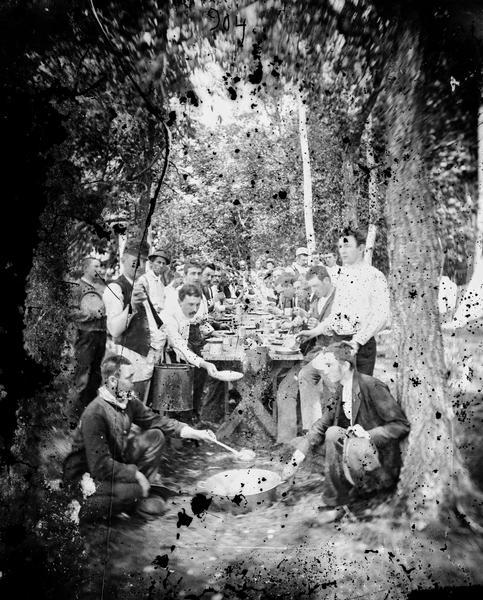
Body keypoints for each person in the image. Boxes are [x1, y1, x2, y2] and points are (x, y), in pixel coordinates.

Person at [63, 355, 217, 521]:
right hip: (87, 478)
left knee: (156, 436)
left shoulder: (128, 401)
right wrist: (136, 475)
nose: (133, 383)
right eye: (129, 378)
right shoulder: (95, 413)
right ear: (113, 382)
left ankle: (138, 495)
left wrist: (195, 433)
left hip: (113, 463)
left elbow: (157, 421)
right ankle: (101, 503)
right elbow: (100, 466)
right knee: (133, 492)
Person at [282, 343, 410, 522]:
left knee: (345, 439)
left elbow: (400, 425)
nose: (325, 371)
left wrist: (368, 434)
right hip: (356, 452)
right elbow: (321, 425)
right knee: (330, 433)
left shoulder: (372, 386)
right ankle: (336, 502)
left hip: (378, 460)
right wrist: (295, 460)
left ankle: (365, 500)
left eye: (329, 366)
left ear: (345, 365)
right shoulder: (341, 389)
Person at [297, 228, 390, 377]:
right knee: (309, 377)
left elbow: (382, 316)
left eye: (347, 246)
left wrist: (357, 342)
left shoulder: (375, 276)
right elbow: (336, 315)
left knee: (356, 394)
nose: (342, 251)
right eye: (340, 247)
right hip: (338, 342)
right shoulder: (343, 277)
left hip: (361, 347)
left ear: (360, 248)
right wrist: (313, 332)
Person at [102, 243, 164, 402]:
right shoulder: (116, 288)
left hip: (146, 356)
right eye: (135, 259)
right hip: (128, 356)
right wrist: (132, 307)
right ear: (123, 259)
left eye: (144, 260)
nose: (140, 265)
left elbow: (152, 320)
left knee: (142, 404)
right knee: (128, 403)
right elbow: (115, 329)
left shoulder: (141, 286)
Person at [69, 256, 107, 420]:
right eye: (96, 266)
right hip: (86, 336)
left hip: (100, 335)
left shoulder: (100, 287)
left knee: (96, 377)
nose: (99, 269)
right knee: (82, 377)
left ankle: (89, 416)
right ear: (85, 269)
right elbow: (71, 312)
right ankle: (73, 419)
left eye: (100, 266)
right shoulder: (77, 287)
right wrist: (90, 314)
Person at [139, 247, 171, 314]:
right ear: (151, 263)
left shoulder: (161, 282)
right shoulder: (144, 279)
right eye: (159, 262)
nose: (161, 265)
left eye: (163, 263)